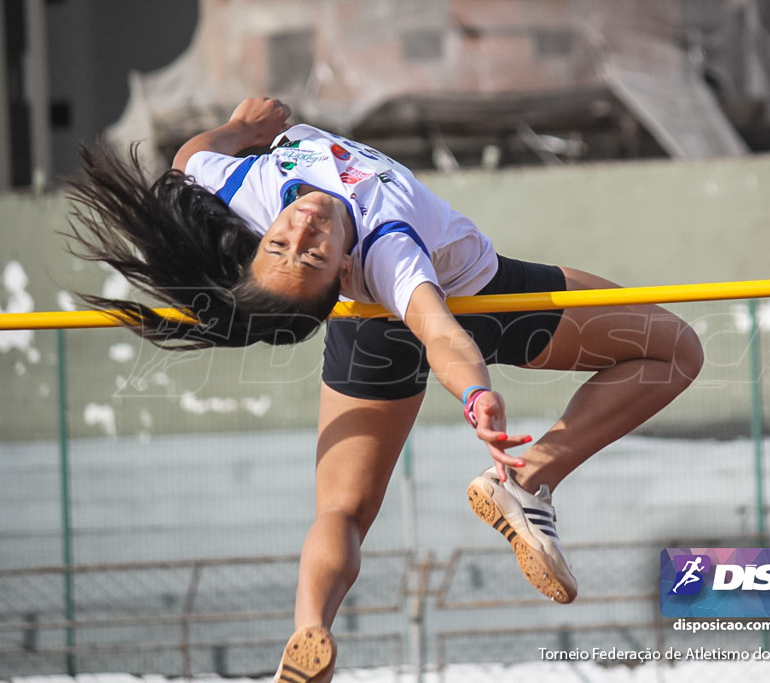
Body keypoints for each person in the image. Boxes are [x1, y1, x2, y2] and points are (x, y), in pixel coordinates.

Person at [67, 97, 704, 681]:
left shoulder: (248, 188)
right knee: (674, 348)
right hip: (486, 301)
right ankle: (527, 481)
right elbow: (441, 333)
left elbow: (186, 161)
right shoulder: (388, 250)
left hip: (366, 333)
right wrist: (476, 396)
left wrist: (243, 130)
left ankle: (310, 626)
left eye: (283, 243)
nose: (304, 229)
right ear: (344, 270)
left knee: (342, 512)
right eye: (312, 255)